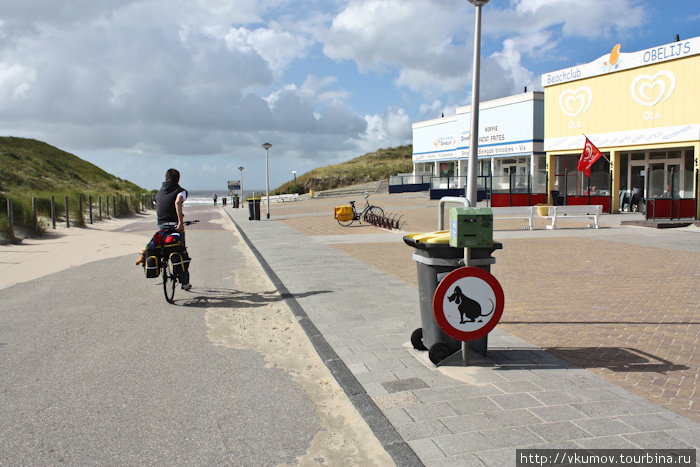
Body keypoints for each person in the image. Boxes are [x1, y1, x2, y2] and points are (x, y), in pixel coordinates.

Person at [155, 168, 192, 290]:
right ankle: (184, 282)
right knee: (182, 252)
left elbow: (156, 204)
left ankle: (163, 265)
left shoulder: (159, 192)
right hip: (175, 226)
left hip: (161, 226)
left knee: (163, 248)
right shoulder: (181, 191)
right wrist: (180, 222)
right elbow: (177, 202)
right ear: (178, 179)